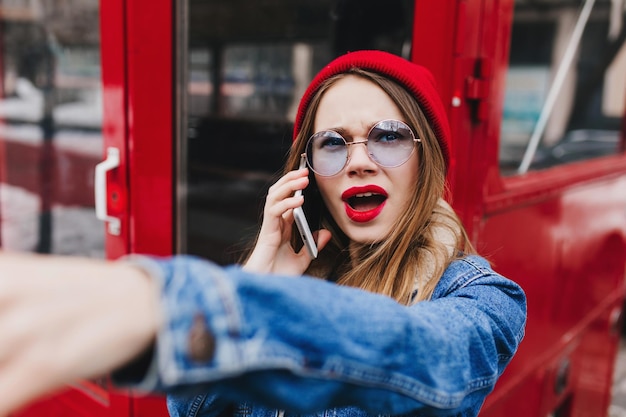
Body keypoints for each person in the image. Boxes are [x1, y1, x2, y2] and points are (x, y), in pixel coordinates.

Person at [0, 50, 526, 417]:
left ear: (426, 158)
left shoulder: (484, 298)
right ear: (307, 173)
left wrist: (169, 309)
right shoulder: (296, 275)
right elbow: (195, 412)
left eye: (388, 138)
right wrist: (263, 272)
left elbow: (429, 355)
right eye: (333, 144)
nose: (360, 161)